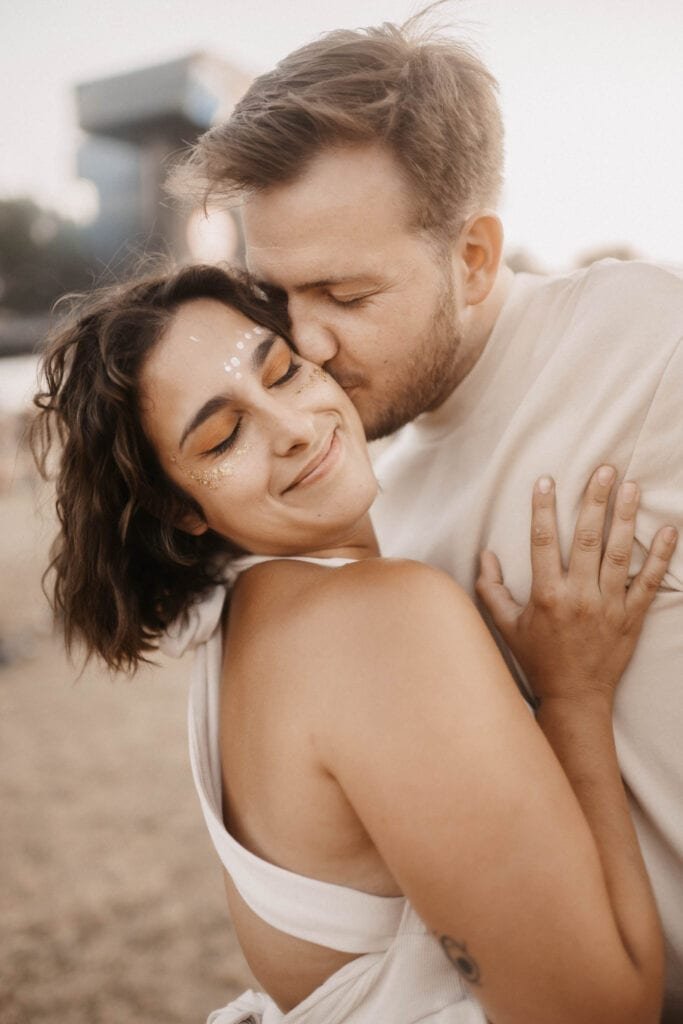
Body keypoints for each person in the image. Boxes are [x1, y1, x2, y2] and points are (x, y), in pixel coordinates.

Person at [168, 13, 683, 1017]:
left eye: (345, 293)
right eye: (274, 297)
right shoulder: (367, 498)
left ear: (476, 257)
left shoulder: (642, 347)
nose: (304, 343)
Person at [33, 263, 675, 1024]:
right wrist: (575, 698)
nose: (295, 427)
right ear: (183, 510)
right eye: (223, 435)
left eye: (283, 373)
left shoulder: (245, 627)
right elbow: (594, 1010)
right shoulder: (375, 624)